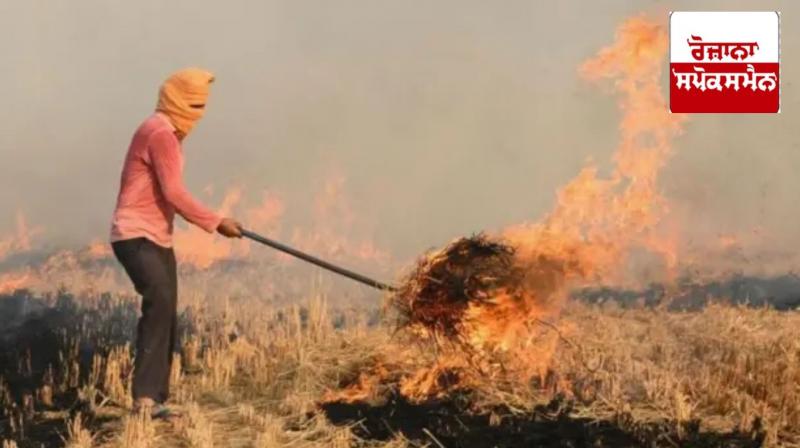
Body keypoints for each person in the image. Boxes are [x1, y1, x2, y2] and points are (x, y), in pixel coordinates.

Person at [109, 67, 242, 419]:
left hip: (155, 236)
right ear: (176, 99)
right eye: (194, 104)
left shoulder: (161, 131)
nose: (199, 113)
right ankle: (145, 401)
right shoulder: (160, 133)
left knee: (165, 310)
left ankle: (155, 398)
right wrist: (216, 222)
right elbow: (174, 192)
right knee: (159, 304)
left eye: (203, 106)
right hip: (136, 235)